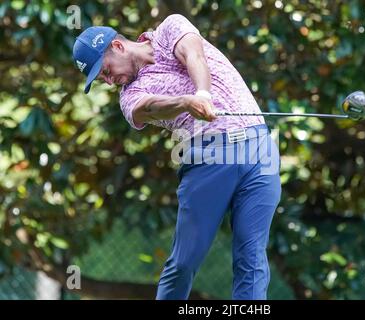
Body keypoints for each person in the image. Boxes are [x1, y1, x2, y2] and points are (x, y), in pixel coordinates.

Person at [72, 14, 281, 300]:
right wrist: (186, 102)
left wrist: (202, 93)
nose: (109, 81)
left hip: (260, 148)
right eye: (101, 80)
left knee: (252, 257)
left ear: (118, 47)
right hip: (209, 158)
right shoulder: (129, 95)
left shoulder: (170, 28)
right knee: (184, 263)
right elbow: (152, 108)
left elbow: (193, 54)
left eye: (106, 71)